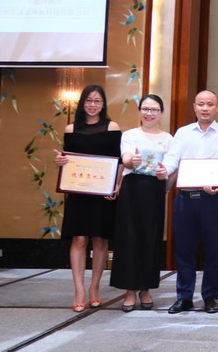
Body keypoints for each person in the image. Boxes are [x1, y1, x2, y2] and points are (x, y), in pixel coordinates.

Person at [161, 90, 218, 315]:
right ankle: (184, 296)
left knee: (213, 249)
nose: (205, 108)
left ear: (217, 107)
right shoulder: (182, 133)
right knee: (183, 250)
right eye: (201, 104)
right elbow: (172, 159)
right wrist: (163, 170)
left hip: (213, 199)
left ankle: (210, 297)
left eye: (210, 104)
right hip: (185, 199)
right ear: (194, 107)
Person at [54, 85, 122, 312]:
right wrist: (61, 162)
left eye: (97, 101)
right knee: (79, 240)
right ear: (82, 103)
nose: (93, 105)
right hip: (79, 192)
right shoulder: (71, 128)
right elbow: (68, 159)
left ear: (103, 104)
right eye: (89, 100)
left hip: (103, 193)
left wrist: (116, 185)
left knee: (100, 240)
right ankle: (79, 290)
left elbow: (119, 161)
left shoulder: (112, 127)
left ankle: (94, 287)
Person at [110, 94, 172, 311]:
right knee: (129, 239)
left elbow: (172, 167)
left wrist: (165, 178)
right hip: (132, 189)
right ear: (139, 111)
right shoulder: (130, 135)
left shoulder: (168, 138)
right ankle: (129, 291)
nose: (149, 113)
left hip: (155, 190)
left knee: (150, 239)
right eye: (145, 109)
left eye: (154, 109)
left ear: (161, 113)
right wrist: (131, 160)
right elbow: (125, 158)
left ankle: (145, 289)